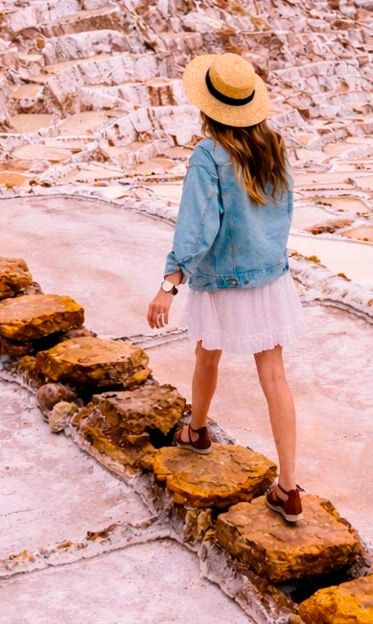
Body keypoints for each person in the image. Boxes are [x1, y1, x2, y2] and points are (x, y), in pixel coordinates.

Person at [146, 52, 306, 523]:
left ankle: (197, 431)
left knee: (206, 353)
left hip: (223, 279)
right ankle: (289, 488)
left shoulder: (209, 155)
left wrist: (170, 283)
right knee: (274, 376)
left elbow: (198, 227)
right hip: (270, 277)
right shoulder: (272, 146)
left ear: (207, 106)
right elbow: (283, 212)